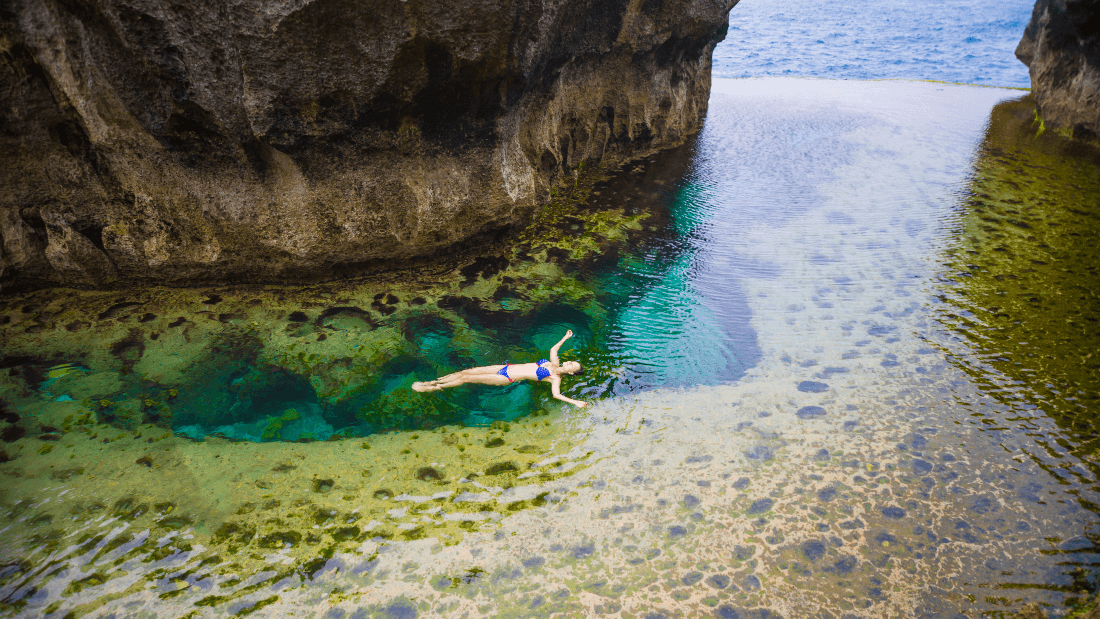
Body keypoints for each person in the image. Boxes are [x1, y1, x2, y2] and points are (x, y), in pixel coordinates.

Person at [412, 330, 587, 407]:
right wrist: (565, 337)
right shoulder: (554, 362)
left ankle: (434, 388)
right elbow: (553, 349)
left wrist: (575, 402)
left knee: (465, 379)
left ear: (570, 372)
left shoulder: (555, 377)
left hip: (505, 379)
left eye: (572, 365)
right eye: (571, 361)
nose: (569, 362)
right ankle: (435, 381)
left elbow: (556, 395)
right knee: (465, 372)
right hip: (505, 367)